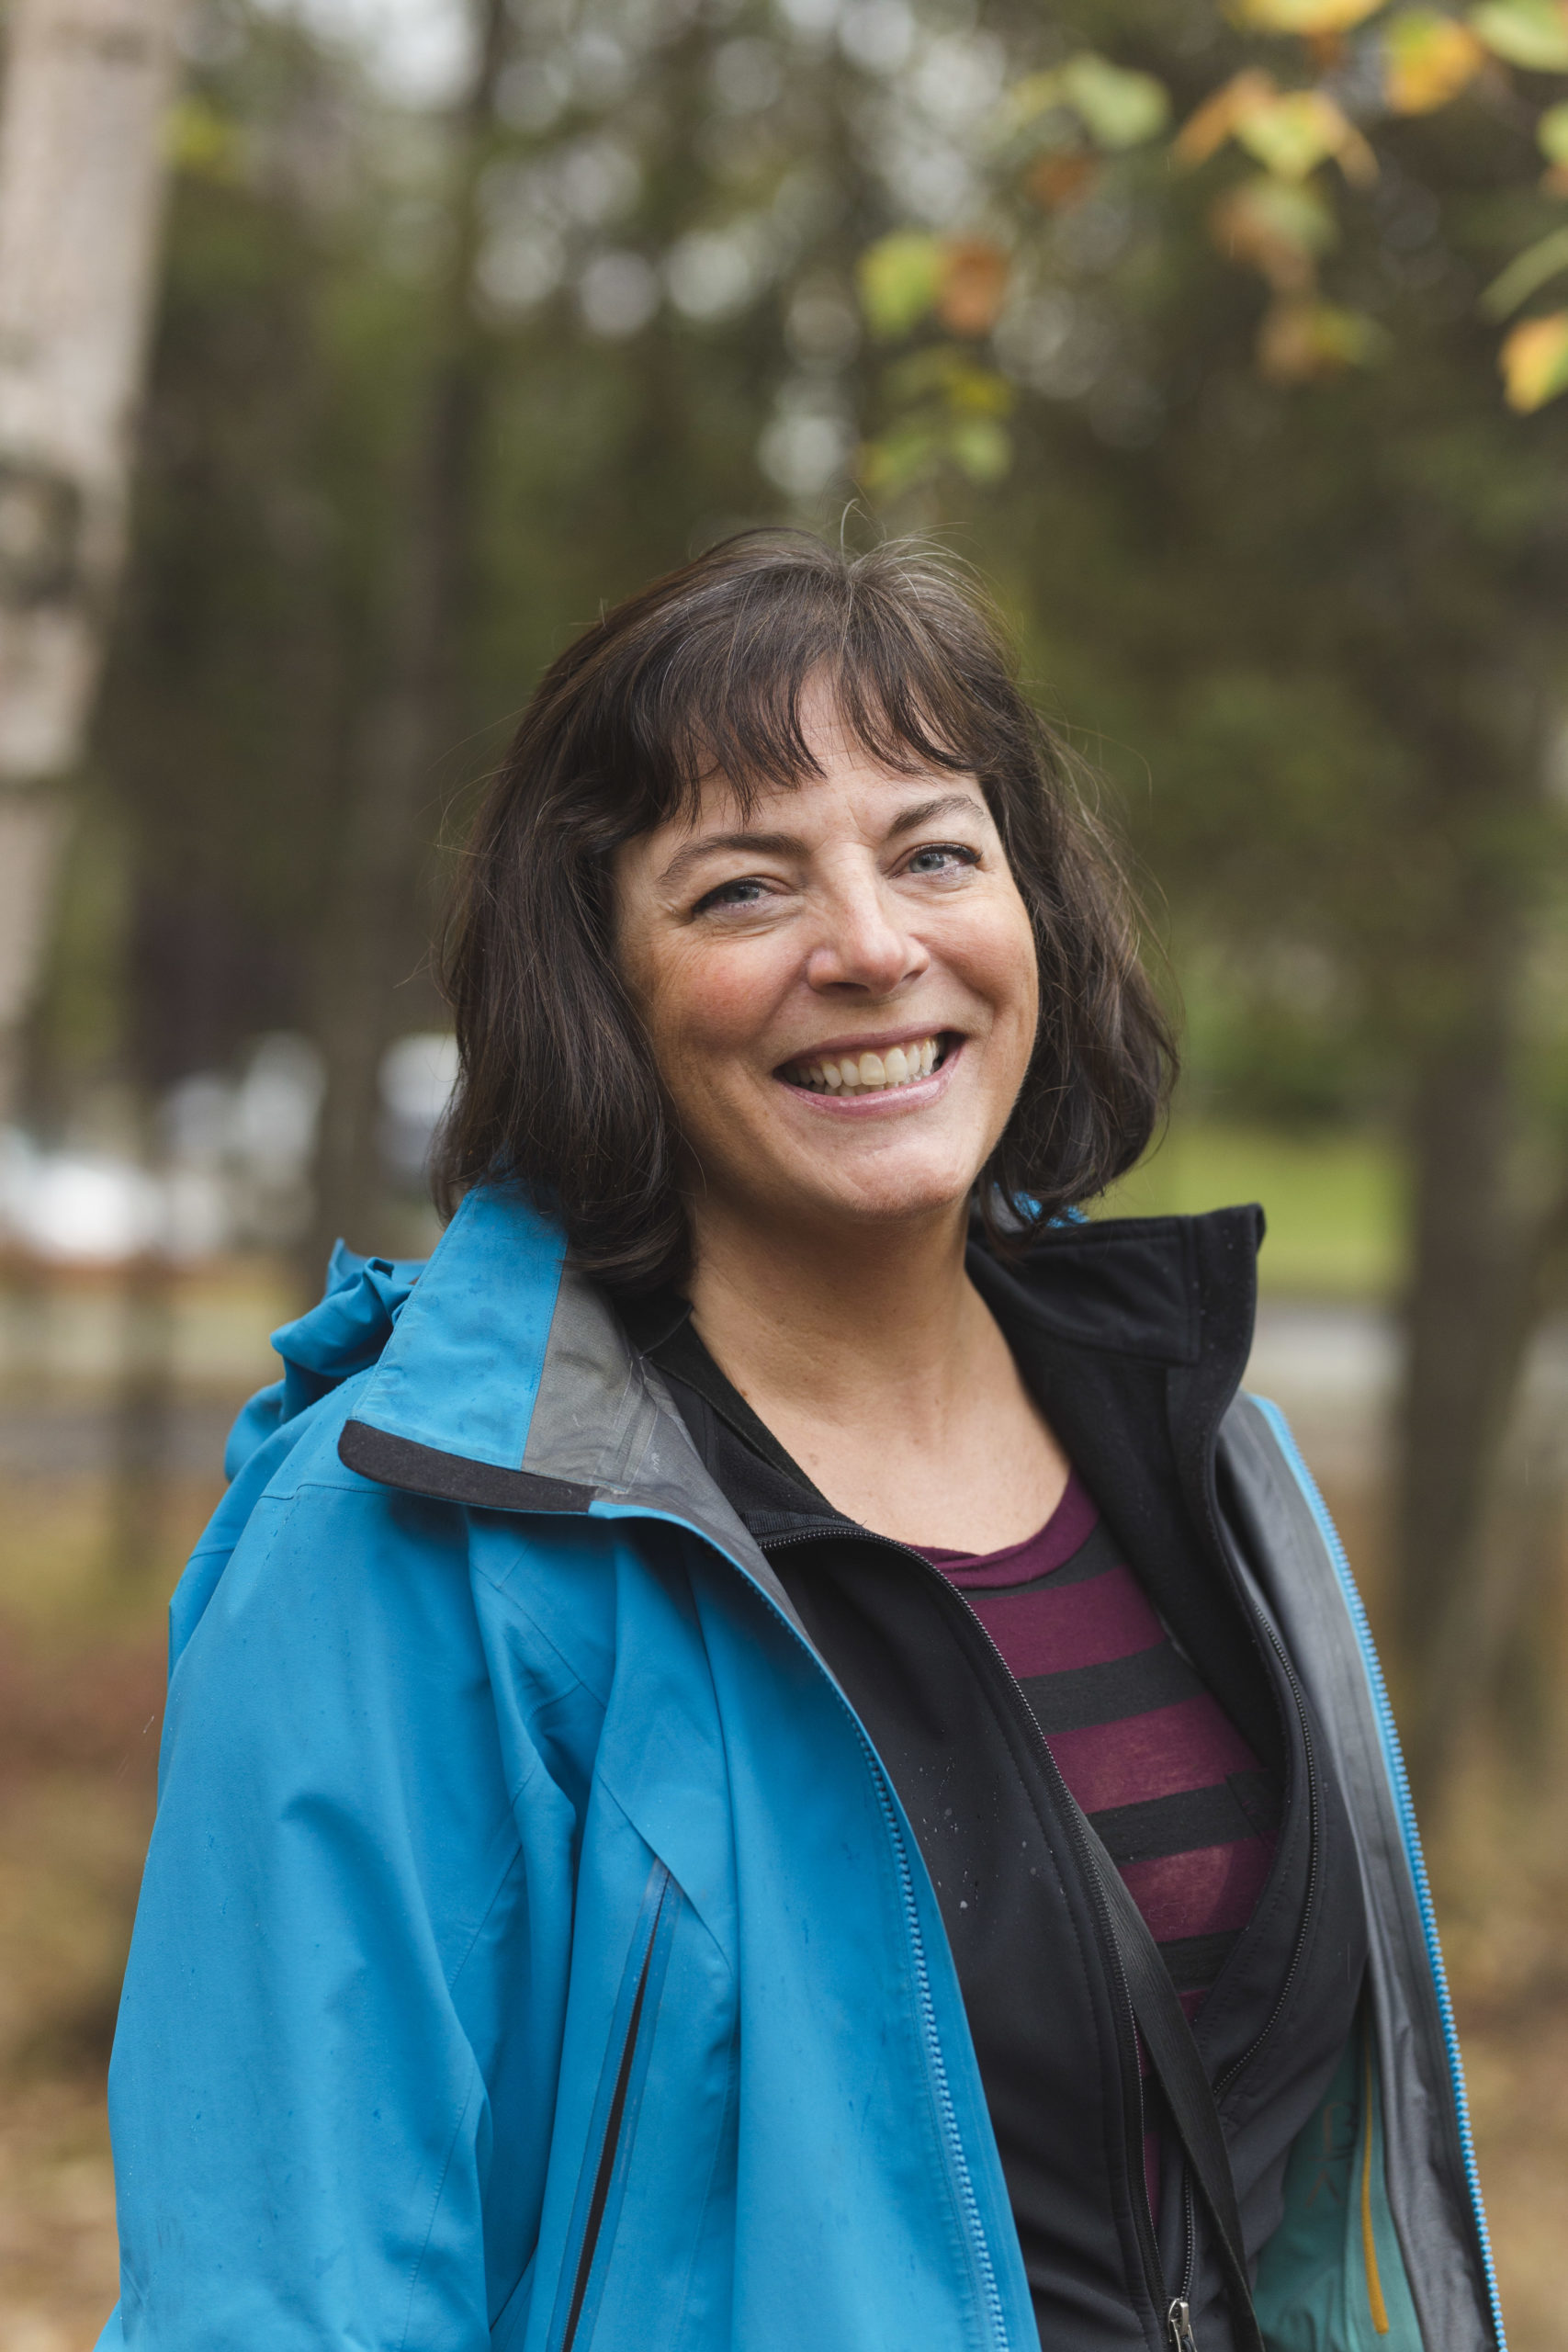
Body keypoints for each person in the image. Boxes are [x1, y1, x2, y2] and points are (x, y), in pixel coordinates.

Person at [97, 534, 1501, 2352]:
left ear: (1032, 917)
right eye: (744, 889)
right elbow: (283, 2297)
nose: (868, 944)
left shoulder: (1208, 1450)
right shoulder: (408, 1533)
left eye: (930, 849)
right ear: (595, 984)